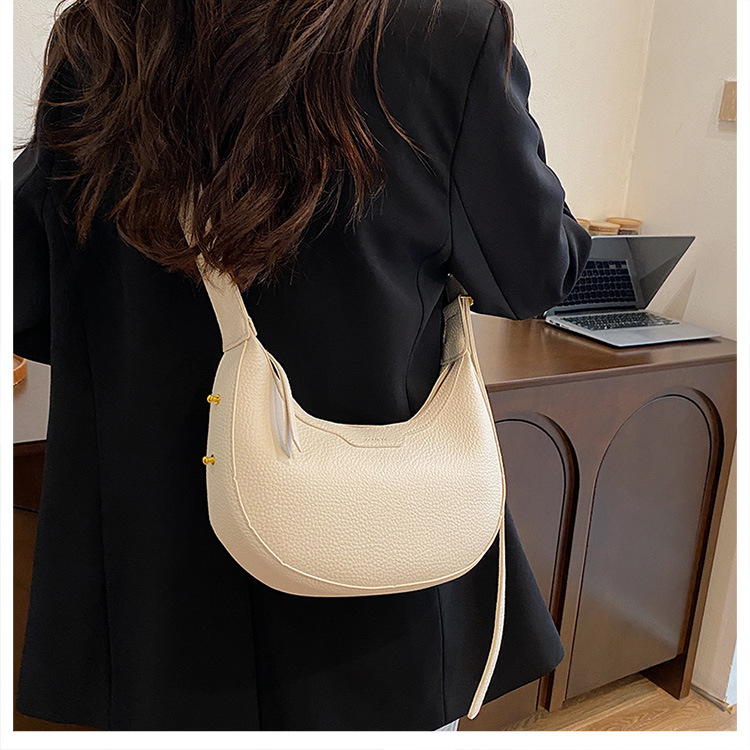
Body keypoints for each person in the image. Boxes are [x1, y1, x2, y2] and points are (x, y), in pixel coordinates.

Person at [13, 0, 592, 732]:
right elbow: (532, 275)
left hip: (156, 574)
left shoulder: (102, 33)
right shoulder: (445, 29)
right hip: (370, 563)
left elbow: (34, 298)